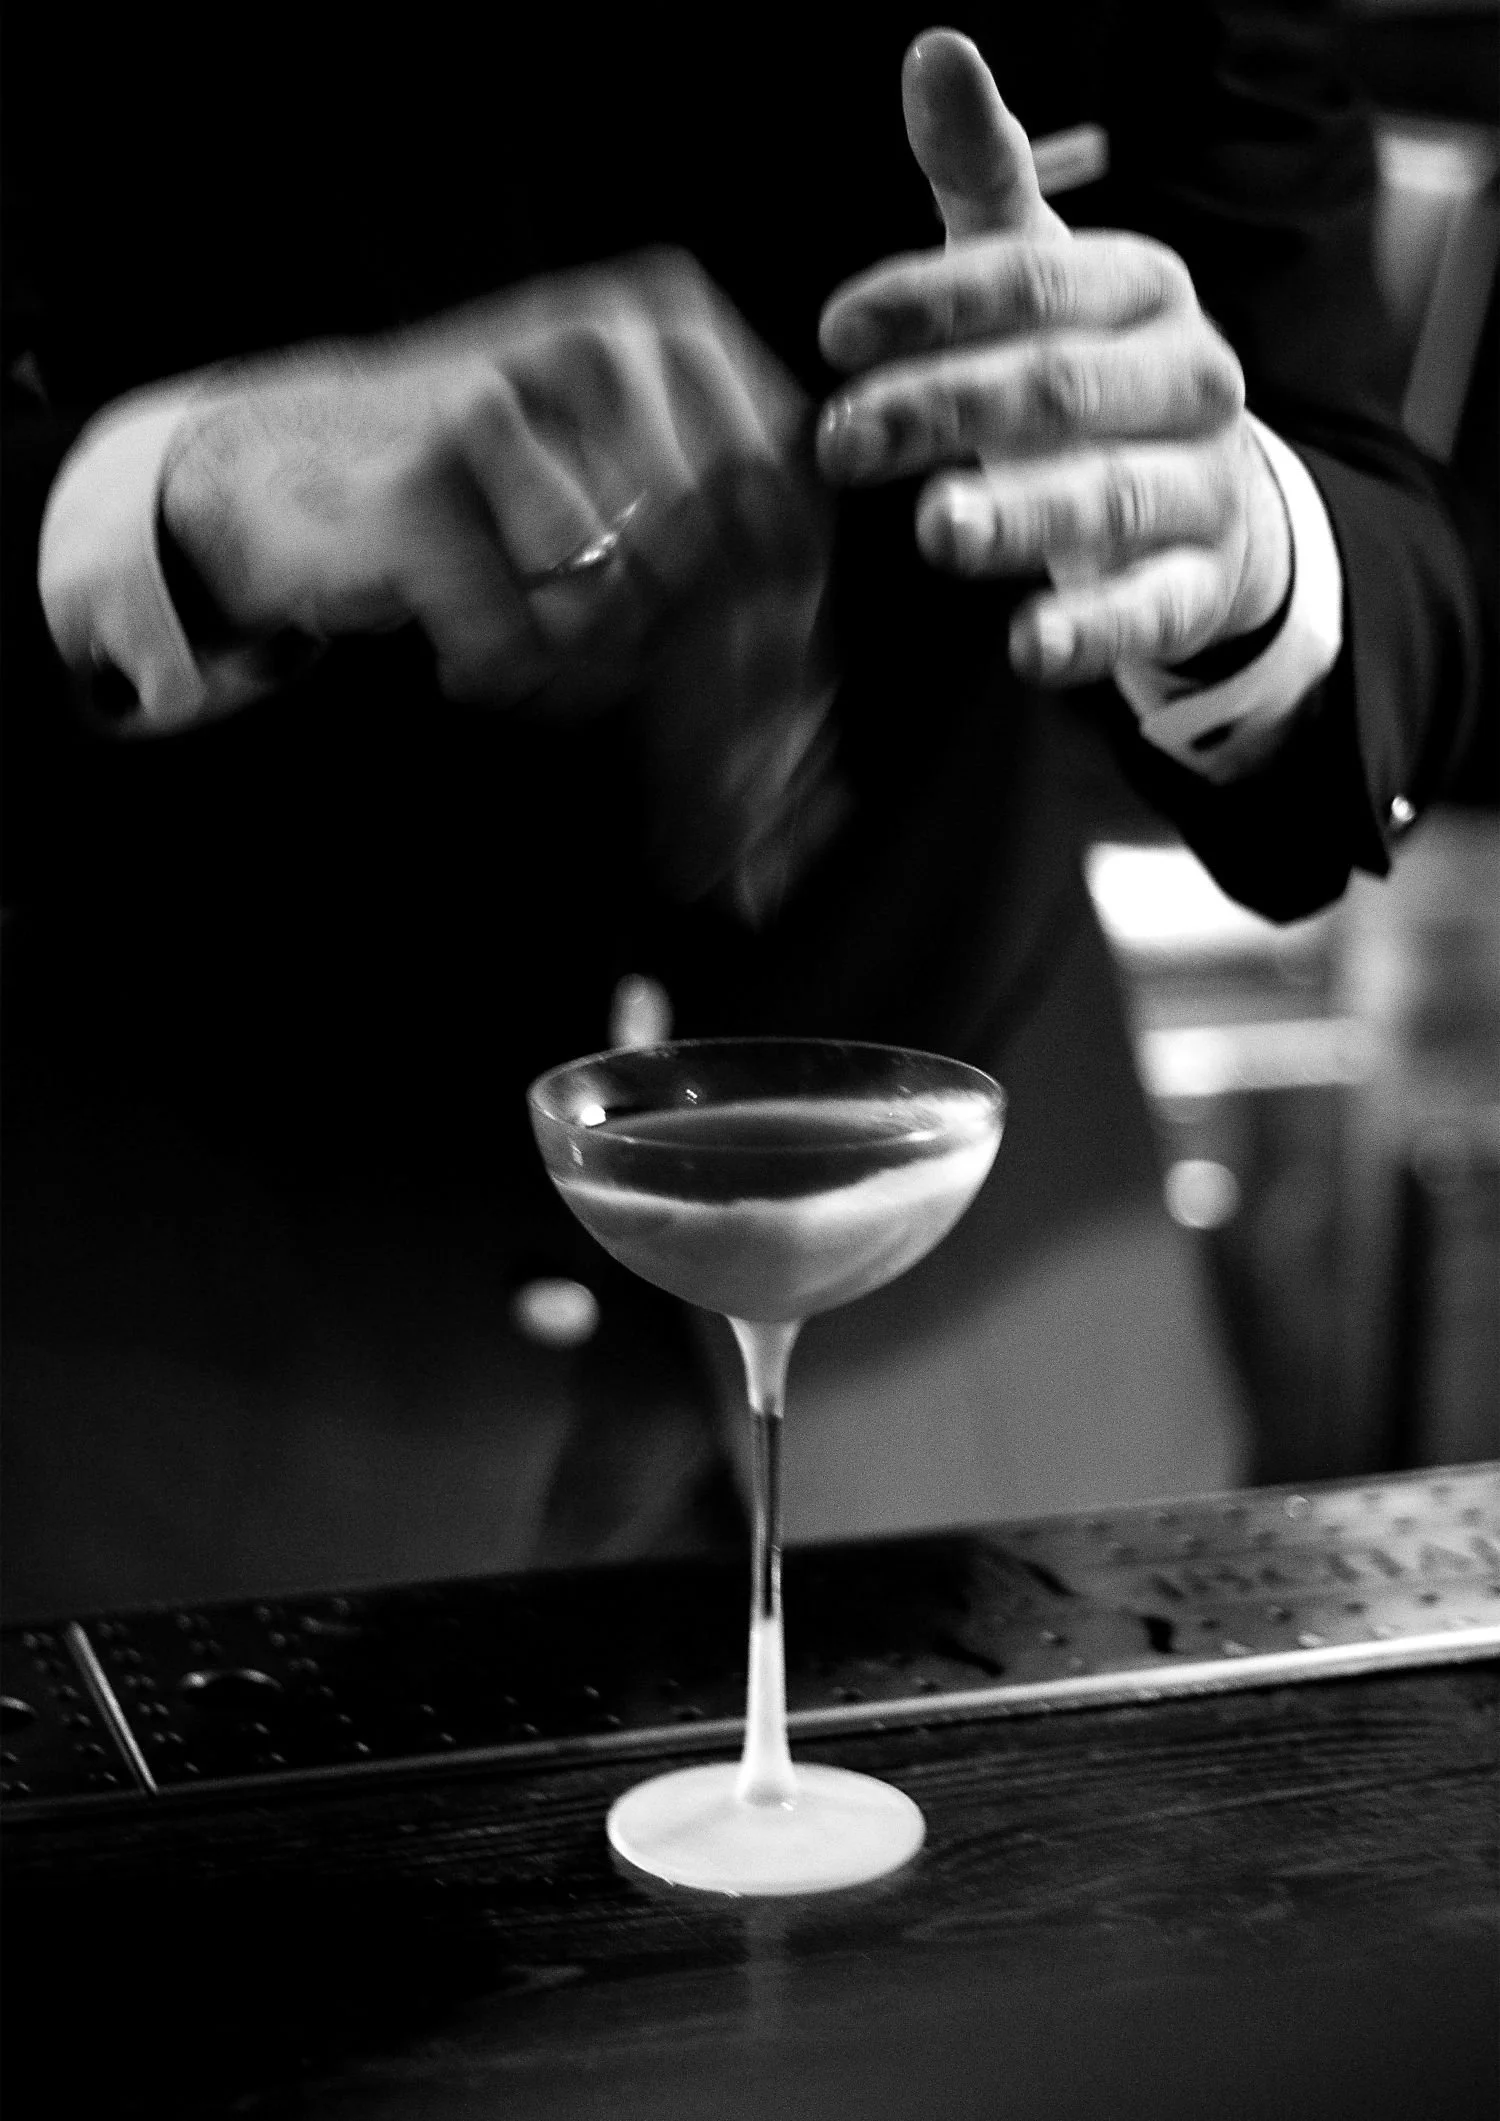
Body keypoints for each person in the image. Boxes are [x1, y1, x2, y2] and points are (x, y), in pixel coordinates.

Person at [1, 11, 1485, 1616]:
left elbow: (1372, 507)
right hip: (179, 1390)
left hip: (1008, 1358)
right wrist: (182, 500)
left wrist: (1243, 540)